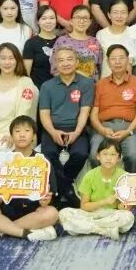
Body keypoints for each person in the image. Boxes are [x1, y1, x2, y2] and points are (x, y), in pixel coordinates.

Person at [0, 115, 59, 242]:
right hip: (6, 211)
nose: (22, 135)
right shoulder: (1, 160)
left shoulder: (43, 161)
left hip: (32, 212)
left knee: (52, 213)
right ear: (11, 136)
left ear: (34, 136)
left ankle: (0, 229)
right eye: (17, 131)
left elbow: (50, 193)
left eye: (27, 131)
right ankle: (24, 233)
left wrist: (45, 201)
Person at [38, 46, 94, 208]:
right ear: (55, 64)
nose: (65, 63)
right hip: (52, 128)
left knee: (80, 154)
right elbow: (44, 114)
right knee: (48, 155)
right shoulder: (47, 86)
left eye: (69, 59)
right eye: (61, 60)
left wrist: (76, 132)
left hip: (77, 128)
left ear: (77, 62)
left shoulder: (87, 83)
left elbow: (84, 112)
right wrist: (53, 132)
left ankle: (60, 188)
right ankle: (68, 191)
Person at [58, 139, 136, 239]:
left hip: (112, 214)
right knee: (64, 214)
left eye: (113, 154)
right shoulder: (90, 176)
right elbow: (84, 206)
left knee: (128, 218)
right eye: (105, 154)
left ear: (119, 158)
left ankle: (87, 227)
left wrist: (125, 206)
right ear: (98, 156)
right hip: (91, 214)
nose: (109, 158)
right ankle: (103, 230)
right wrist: (104, 202)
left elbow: (128, 205)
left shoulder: (124, 176)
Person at [90, 45, 136, 172]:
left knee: (133, 157)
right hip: (104, 128)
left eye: (121, 58)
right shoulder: (100, 84)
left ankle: (130, 184)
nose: (117, 62)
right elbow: (93, 114)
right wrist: (102, 130)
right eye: (113, 59)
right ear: (108, 62)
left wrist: (128, 131)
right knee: (95, 156)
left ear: (128, 60)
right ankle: (103, 184)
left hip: (130, 128)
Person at [0, 43, 37, 145]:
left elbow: (23, 111)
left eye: (11, 58)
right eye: (3, 58)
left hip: (18, 134)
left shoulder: (26, 82)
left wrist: (12, 133)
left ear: (17, 60)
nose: (7, 62)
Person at [0, 0, 33, 75]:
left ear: (18, 9)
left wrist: (23, 79)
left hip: (20, 77)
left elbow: (27, 61)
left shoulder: (27, 30)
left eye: (13, 8)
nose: (9, 12)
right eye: (5, 8)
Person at [53, 5, 104, 79]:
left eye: (85, 18)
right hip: (67, 84)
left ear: (90, 22)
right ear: (71, 21)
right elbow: (54, 68)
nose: (81, 21)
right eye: (78, 17)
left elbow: (100, 67)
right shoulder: (62, 41)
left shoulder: (94, 42)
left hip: (91, 84)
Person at [21, 5, 60, 87]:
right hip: (38, 88)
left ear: (56, 20)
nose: (48, 21)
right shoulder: (30, 43)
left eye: (52, 18)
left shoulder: (62, 41)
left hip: (59, 88)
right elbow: (26, 74)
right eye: (44, 18)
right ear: (38, 21)